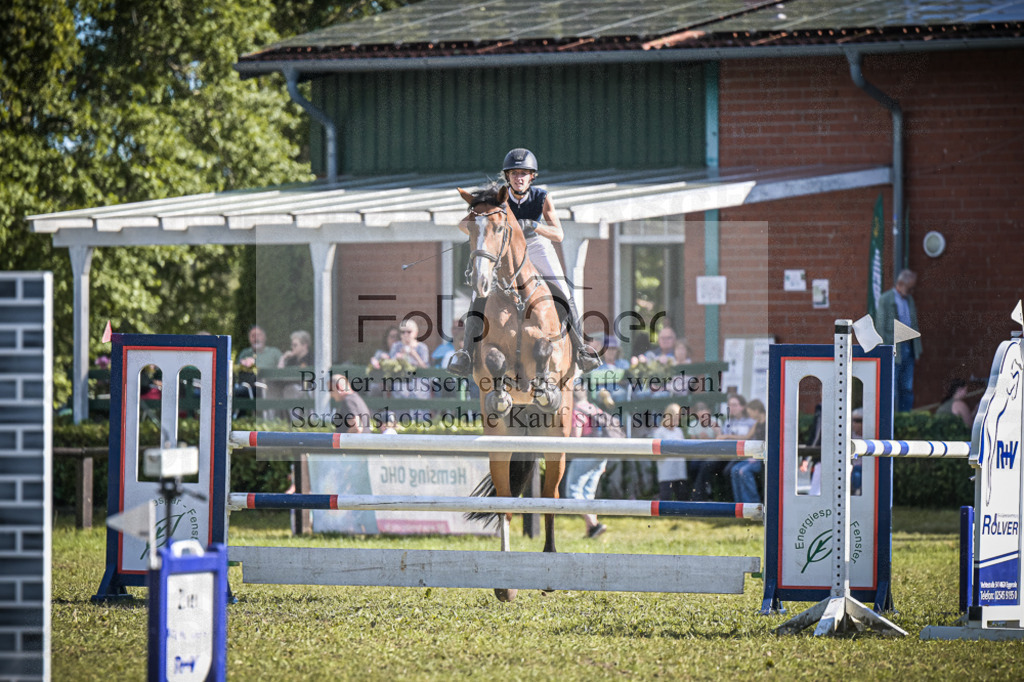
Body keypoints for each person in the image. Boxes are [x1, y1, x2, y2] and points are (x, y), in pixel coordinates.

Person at [447, 148, 601, 377]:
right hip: (506, 250)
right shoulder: (496, 198)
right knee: (478, 294)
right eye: (515, 173)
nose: (519, 177)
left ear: (532, 176)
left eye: (524, 173)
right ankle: (466, 354)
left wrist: (535, 225)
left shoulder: (542, 197)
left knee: (562, 289)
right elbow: (463, 224)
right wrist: (480, 229)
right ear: (507, 176)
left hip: (537, 245)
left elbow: (559, 234)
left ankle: (581, 349)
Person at [872, 269, 922, 412]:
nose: (911, 291)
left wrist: (917, 350)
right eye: (910, 288)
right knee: (892, 386)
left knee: (907, 387)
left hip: (908, 347)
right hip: (894, 349)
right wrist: (883, 350)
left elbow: (914, 324)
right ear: (900, 283)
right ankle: (892, 419)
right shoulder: (886, 299)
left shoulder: (909, 299)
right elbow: (880, 327)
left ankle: (904, 417)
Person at [566, 386, 610, 538]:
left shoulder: (577, 411)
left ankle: (594, 523)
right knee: (588, 493)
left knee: (572, 493)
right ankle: (591, 530)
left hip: (587, 453)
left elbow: (576, 438)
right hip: (603, 453)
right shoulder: (594, 408)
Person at [389, 319, 431, 421]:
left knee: (419, 392)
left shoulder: (422, 347)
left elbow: (425, 367)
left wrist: (413, 354)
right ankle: (401, 423)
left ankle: (421, 424)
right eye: (403, 332)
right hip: (401, 381)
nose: (406, 334)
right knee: (401, 391)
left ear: (415, 333)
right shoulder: (396, 346)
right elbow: (391, 365)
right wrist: (401, 355)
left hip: (419, 382)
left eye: (409, 331)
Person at [729, 399, 767, 504]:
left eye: (750, 411)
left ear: (756, 411)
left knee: (743, 471)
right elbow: (746, 437)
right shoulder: (756, 424)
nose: (749, 414)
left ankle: (752, 503)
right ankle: (740, 503)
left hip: (762, 459)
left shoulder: (768, 423)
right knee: (734, 470)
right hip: (755, 457)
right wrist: (728, 436)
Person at [653, 403, 689, 501]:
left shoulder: (679, 431)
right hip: (666, 470)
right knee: (665, 496)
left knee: (682, 496)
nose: (677, 420)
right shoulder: (659, 432)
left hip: (679, 470)